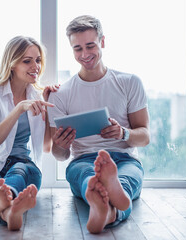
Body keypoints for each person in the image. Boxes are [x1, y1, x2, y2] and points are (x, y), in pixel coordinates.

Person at [48, 15, 150, 233]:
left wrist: (123, 133)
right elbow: (59, 155)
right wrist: (61, 145)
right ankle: (110, 209)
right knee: (86, 174)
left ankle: (103, 207)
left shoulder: (129, 82)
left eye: (90, 46)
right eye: (77, 49)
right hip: (83, 159)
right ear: (71, 49)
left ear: (103, 42)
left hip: (124, 159)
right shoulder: (60, 94)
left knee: (125, 178)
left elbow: (144, 136)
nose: (84, 55)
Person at [0, 36, 57, 231]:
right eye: (27, 61)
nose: (36, 66)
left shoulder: (37, 96)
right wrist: (18, 109)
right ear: (11, 64)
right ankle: (9, 209)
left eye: (38, 60)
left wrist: (49, 108)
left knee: (21, 171)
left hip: (21, 165)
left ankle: (3, 207)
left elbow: (46, 147)